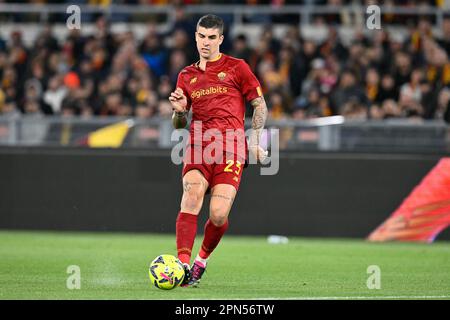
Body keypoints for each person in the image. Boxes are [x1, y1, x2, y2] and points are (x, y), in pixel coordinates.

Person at [168, 14, 268, 287]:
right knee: (191, 195)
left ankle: (201, 260)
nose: (206, 42)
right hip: (199, 145)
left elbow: (260, 105)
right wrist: (178, 112)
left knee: (219, 214)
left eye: (212, 37)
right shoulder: (186, 76)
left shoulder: (237, 68)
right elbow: (179, 124)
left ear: (221, 39)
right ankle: (182, 267)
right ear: (196, 37)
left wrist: (256, 140)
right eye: (202, 36)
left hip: (232, 149)